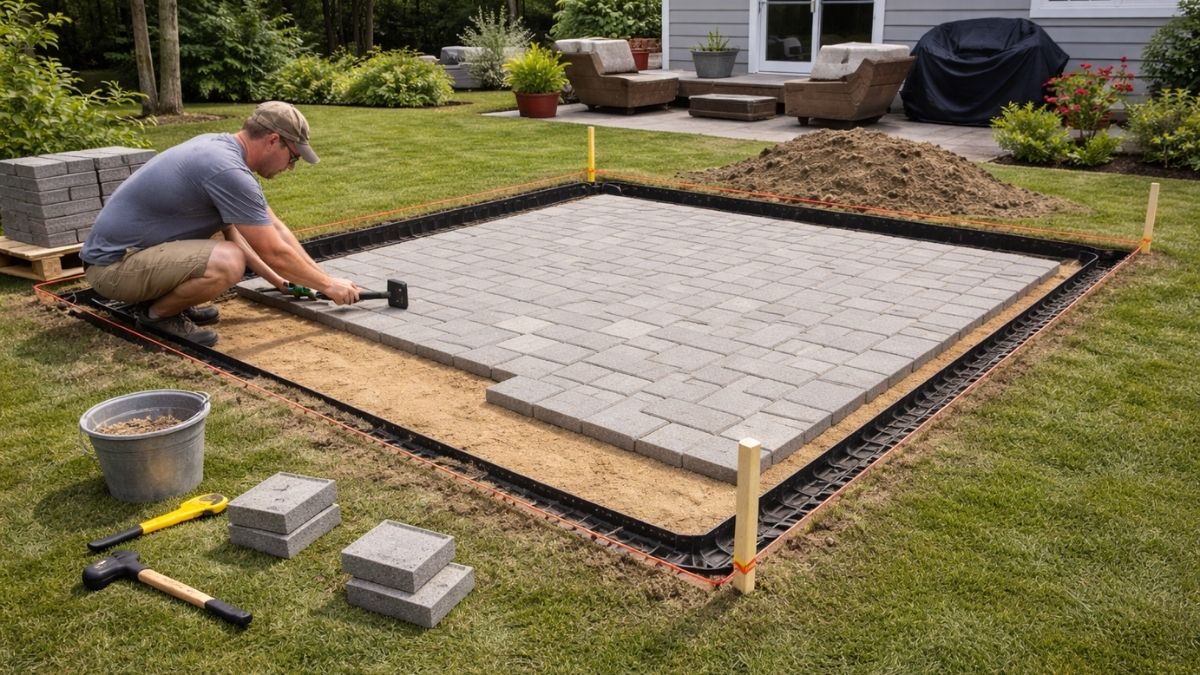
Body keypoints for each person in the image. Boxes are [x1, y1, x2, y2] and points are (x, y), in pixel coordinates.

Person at [80, 101, 361, 347]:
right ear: (274, 140)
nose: (291, 167)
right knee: (228, 261)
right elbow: (272, 251)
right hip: (113, 269)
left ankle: (165, 302)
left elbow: (272, 229)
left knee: (223, 242)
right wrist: (328, 286)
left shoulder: (220, 148)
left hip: (129, 257)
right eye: (294, 157)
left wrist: (288, 281)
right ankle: (157, 316)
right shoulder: (227, 171)